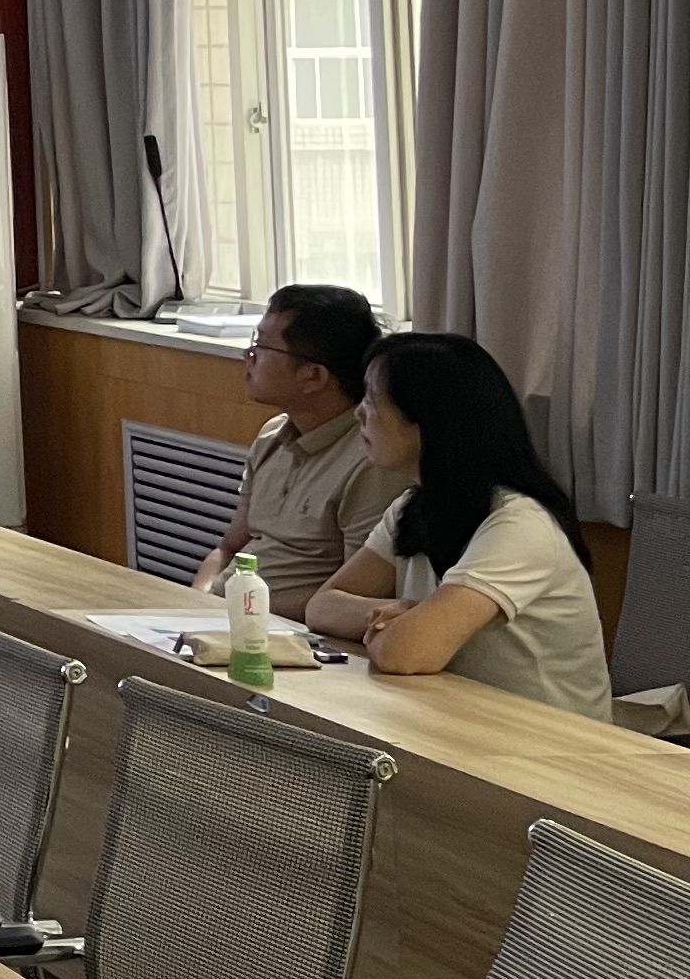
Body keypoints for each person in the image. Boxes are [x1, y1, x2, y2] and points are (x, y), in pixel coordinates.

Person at [303, 332, 613, 718]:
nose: (359, 413)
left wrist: (403, 627)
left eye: (372, 399)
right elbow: (321, 607)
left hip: (550, 739)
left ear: (426, 421)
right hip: (457, 716)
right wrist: (393, 611)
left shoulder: (520, 525)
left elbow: (405, 653)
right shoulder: (412, 507)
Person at [188, 283, 407, 615]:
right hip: (232, 616)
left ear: (313, 376)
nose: (247, 357)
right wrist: (197, 602)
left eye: (260, 346)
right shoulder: (272, 435)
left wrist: (237, 610)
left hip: (293, 631)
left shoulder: (372, 460)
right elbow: (228, 548)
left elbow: (354, 596)